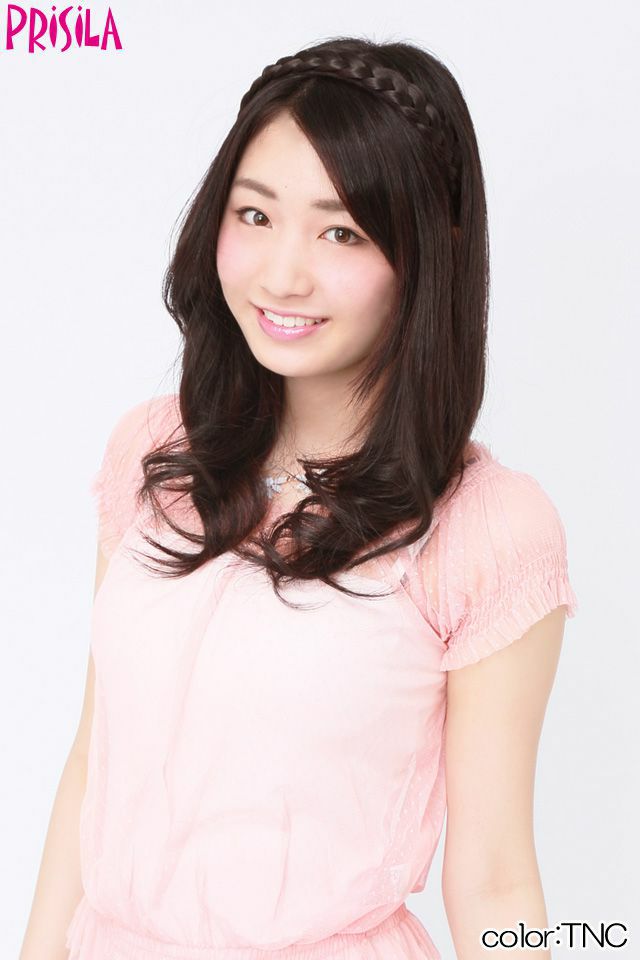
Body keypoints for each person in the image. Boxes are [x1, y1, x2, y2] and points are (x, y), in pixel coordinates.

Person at [20, 35, 578, 960]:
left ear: (429, 250)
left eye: (341, 232)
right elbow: (92, 764)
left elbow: (494, 878)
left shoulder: (487, 530)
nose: (282, 275)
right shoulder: (154, 455)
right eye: (255, 214)